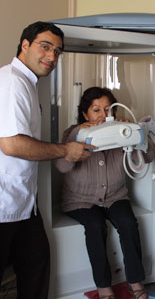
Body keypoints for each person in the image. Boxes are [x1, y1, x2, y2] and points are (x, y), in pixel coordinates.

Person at [0, 21, 94, 299]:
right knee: (34, 267)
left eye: (58, 51)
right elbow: (12, 144)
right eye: (45, 46)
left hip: (23, 203)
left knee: (36, 265)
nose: (52, 57)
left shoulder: (28, 84)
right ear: (25, 45)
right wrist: (66, 150)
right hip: (4, 204)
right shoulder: (12, 83)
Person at [55, 87, 154, 299]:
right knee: (95, 225)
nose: (103, 116)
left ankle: (135, 281)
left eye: (108, 110)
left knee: (128, 223)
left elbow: (149, 156)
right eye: (96, 110)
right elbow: (62, 168)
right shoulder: (72, 134)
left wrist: (134, 133)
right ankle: (103, 287)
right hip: (79, 200)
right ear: (85, 114)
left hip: (115, 196)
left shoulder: (119, 131)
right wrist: (79, 133)